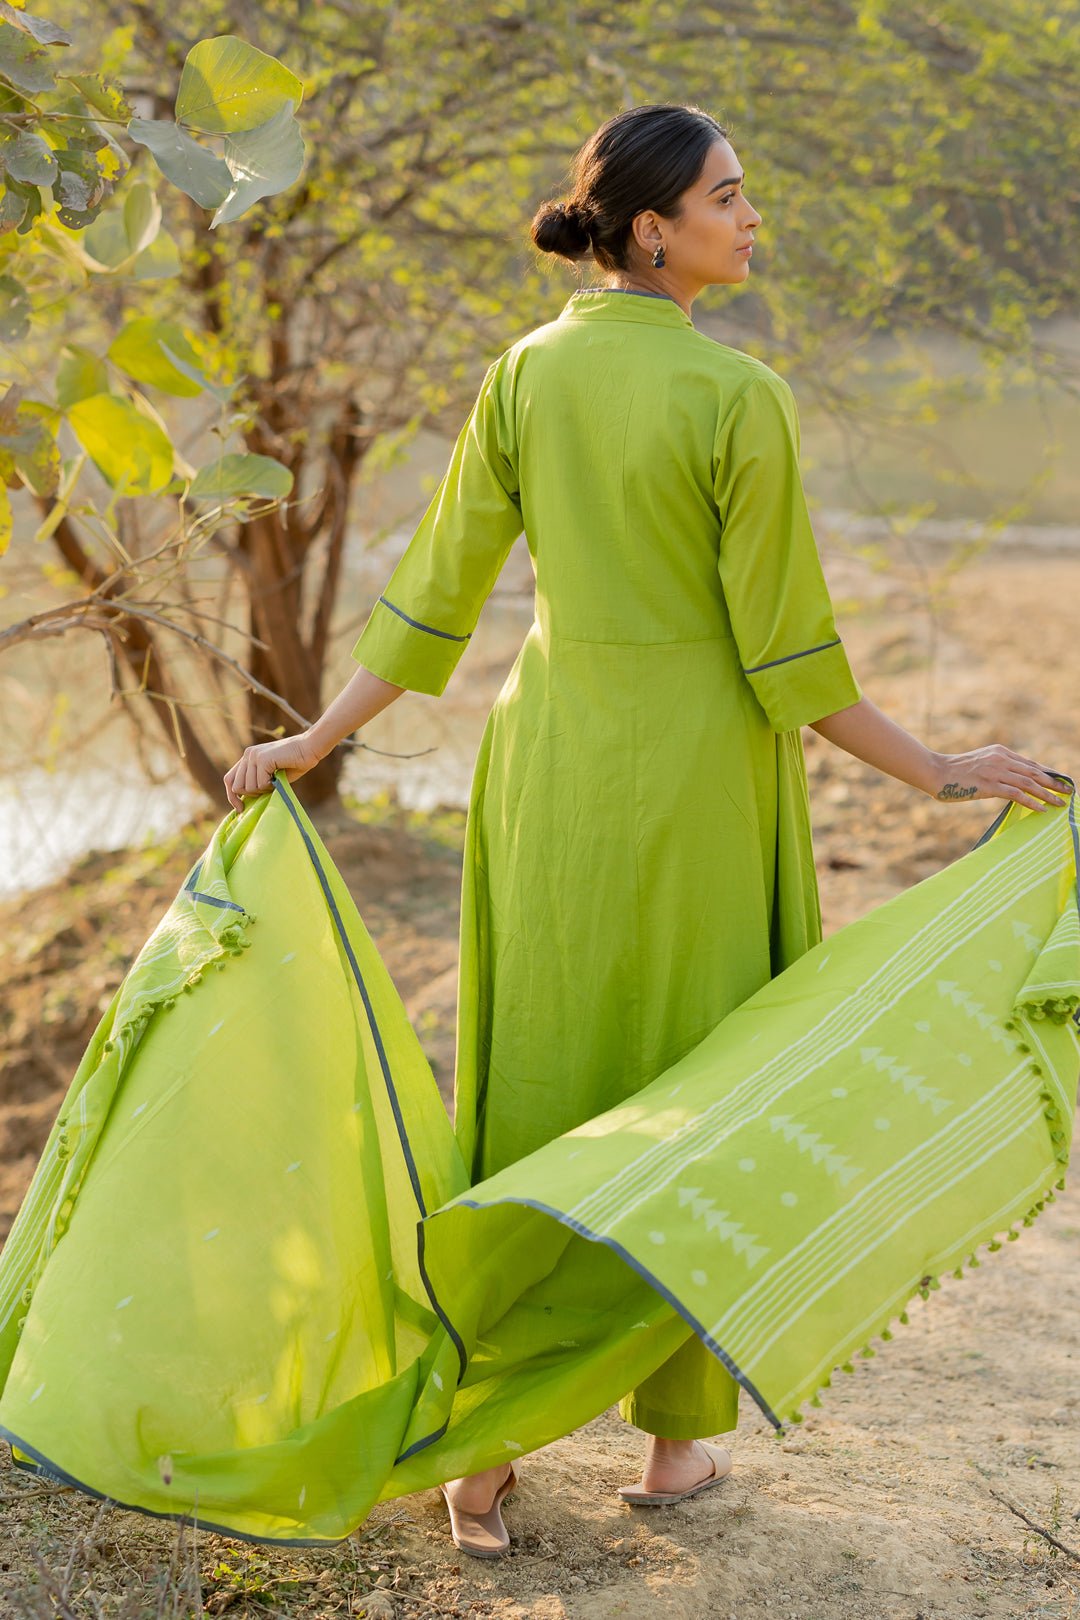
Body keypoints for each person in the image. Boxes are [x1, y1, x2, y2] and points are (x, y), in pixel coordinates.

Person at [222, 102, 1066, 1556]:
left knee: (537, 1080)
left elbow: (433, 597)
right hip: (698, 782)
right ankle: (675, 1444)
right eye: (731, 196)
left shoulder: (523, 374)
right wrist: (937, 769)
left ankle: (483, 1451)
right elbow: (792, 661)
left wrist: (316, 737)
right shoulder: (739, 396)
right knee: (707, 1088)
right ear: (654, 228)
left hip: (547, 766)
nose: (755, 218)